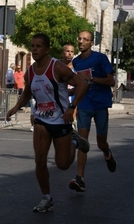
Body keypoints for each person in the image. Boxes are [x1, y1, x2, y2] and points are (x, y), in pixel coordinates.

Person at [6, 33, 90, 212]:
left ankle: (75, 142)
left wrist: (71, 107)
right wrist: (15, 108)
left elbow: (82, 84)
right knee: (40, 160)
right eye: (32, 46)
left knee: (63, 164)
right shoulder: (30, 71)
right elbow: (27, 93)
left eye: (38, 46)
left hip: (61, 120)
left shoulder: (57, 67)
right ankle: (46, 198)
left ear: (47, 49)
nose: (34, 49)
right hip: (41, 120)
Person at [68, 30, 116, 192]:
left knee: (101, 142)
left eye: (85, 39)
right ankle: (80, 178)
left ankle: (107, 153)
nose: (81, 41)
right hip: (85, 104)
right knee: (83, 141)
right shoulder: (76, 62)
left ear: (91, 43)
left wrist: (92, 79)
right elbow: (80, 85)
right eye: (79, 38)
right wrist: (71, 91)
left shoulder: (100, 58)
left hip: (101, 104)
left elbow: (111, 81)